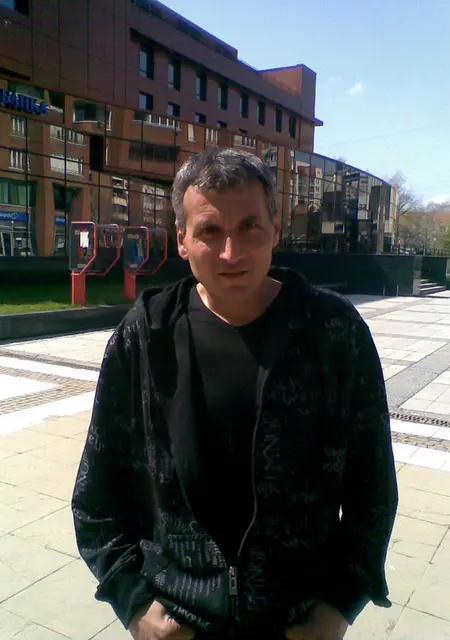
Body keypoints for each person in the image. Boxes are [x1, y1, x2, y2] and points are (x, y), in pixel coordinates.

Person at [72, 148, 398, 640]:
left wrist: (341, 603)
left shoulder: (333, 332)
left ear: (275, 228)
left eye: (249, 226)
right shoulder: (145, 337)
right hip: (179, 618)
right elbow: (96, 494)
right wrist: (133, 602)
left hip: (297, 620)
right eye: (210, 230)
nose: (231, 252)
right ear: (181, 240)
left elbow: (372, 485)